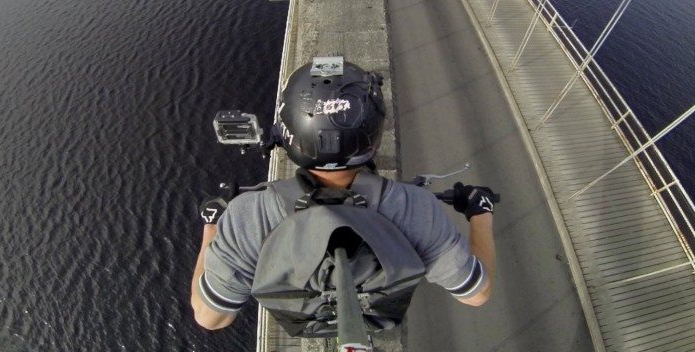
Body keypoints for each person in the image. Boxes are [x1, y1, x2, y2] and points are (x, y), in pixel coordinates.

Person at [190, 58, 497, 331]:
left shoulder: (249, 214)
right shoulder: (416, 207)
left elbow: (209, 318)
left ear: (288, 135)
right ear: (372, 138)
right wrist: (480, 213)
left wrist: (212, 226)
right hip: (374, 319)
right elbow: (477, 294)